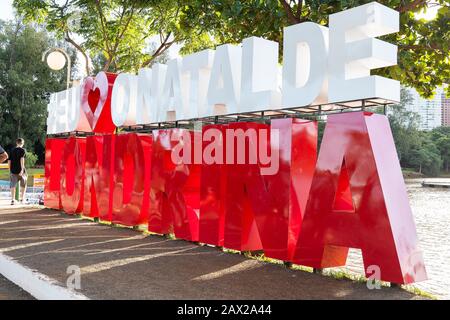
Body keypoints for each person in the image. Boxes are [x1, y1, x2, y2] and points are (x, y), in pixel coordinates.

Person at [9, 138, 27, 205]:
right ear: (22, 143)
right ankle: (22, 199)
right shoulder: (23, 150)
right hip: (21, 171)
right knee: (23, 185)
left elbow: (9, 161)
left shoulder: (12, 150)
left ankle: (12, 200)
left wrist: (10, 170)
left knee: (13, 185)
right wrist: (22, 170)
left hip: (13, 171)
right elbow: (21, 159)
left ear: (16, 143)